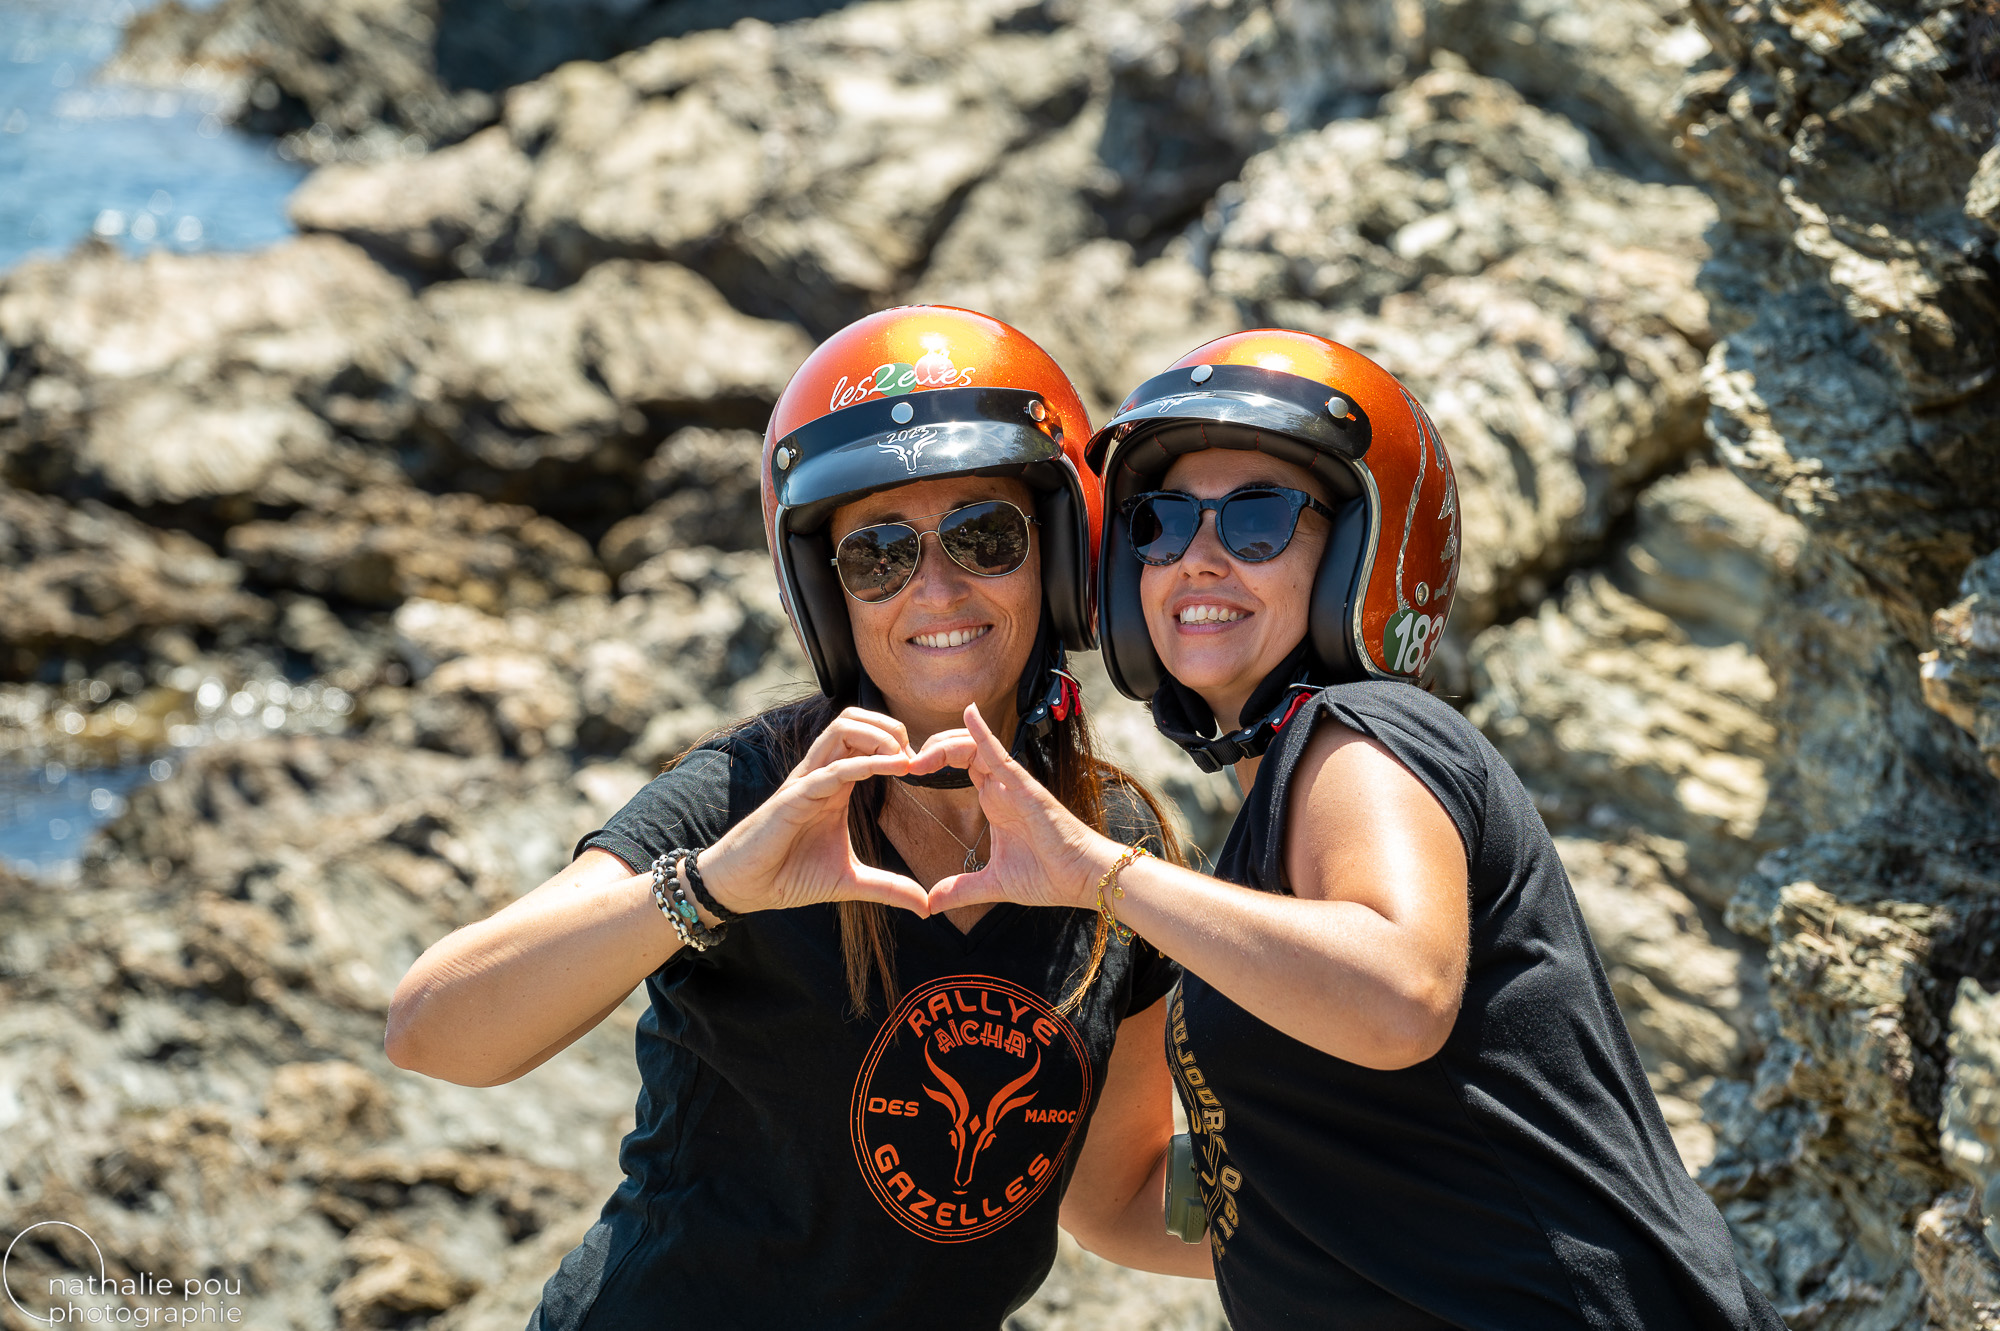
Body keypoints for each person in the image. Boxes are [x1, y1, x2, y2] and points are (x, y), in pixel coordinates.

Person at [925, 331, 1788, 1328]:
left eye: (1255, 520)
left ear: (1355, 553)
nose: (1194, 558)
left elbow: (1397, 992)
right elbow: (1127, 1207)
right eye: (1158, 523)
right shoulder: (1260, 843)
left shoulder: (1361, 736)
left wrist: (1102, 874)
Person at [383, 307, 1204, 1329]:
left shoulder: (1111, 845)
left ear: (1057, 556)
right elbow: (434, 1031)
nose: (935, 586)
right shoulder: (748, 796)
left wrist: (1366, 1202)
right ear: (828, 590)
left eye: (983, 535)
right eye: (878, 554)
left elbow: (1120, 1196)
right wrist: (710, 886)